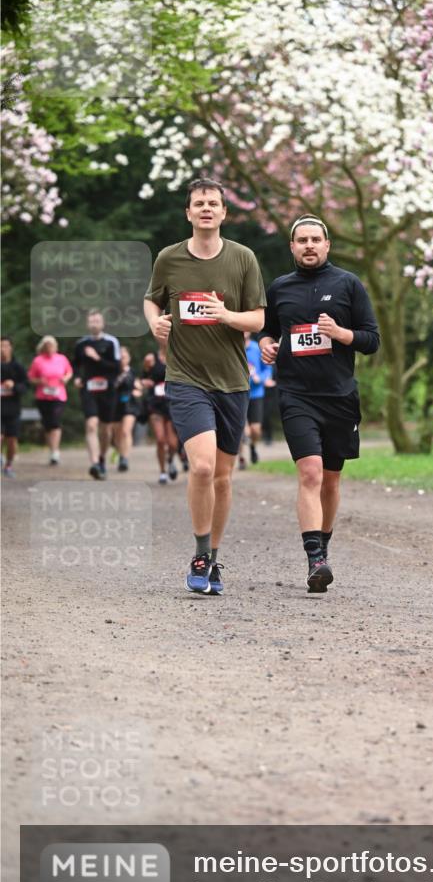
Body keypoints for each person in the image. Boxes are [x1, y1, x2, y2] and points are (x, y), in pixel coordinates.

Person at [143, 177, 266, 594]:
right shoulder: (169, 258)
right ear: (189, 212)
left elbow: (258, 320)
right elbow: (151, 298)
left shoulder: (243, 258)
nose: (207, 209)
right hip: (186, 377)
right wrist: (154, 323)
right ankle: (198, 554)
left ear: (224, 212)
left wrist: (225, 315)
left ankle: (213, 559)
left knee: (223, 479)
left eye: (214, 203)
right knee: (201, 466)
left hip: (232, 381)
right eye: (199, 203)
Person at [259, 214, 379, 593]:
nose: (309, 245)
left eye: (316, 239)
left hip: (340, 396)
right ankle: (315, 560)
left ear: (327, 245)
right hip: (296, 394)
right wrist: (265, 342)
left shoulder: (348, 284)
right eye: (301, 240)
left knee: (330, 478)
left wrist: (340, 333)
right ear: (292, 247)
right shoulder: (279, 288)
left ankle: (323, 549)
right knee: (309, 472)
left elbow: (371, 340)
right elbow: (268, 328)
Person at [73, 309, 121, 480]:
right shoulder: (80, 344)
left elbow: (116, 368)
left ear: (102, 323)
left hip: (108, 389)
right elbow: (76, 366)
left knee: (106, 429)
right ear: (87, 324)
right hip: (89, 389)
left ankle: (101, 459)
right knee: (91, 424)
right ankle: (94, 463)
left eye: (97, 321)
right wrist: (77, 378)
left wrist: (97, 358)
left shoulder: (111, 342)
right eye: (91, 321)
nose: (94, 323)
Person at [27, 335, 73, 465]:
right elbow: (30, 377)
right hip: (43, 395)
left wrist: (65, 379)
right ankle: (52, 450)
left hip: (59, 395)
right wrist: (39, 381)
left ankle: (56, 452)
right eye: (47, 345)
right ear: (43, 347)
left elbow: (69, 371)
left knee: (55, 421)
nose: (50, 348)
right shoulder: (38, 361)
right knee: (47, 424)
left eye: (52, 345)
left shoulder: (61, 359)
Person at [141, 346, 180, 484]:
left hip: (173, 403)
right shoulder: (150, 358)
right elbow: (143, 379)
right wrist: (143, 382)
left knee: (173, 443)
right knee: (160, 439)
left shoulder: (179, 354)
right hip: (155, 403)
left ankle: (170, 461)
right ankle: (162, 471)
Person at [238, 331, 272, 469]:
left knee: (255, 430)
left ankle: (252, 447)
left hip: (256, 394)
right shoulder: (232, 346)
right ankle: (241, 458)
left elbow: (267, 368)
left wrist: (261, 379)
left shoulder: (256, 348)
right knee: (241, 428)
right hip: (238, 393)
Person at [1, 336, 28, 477]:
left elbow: (25, 386)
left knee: (12, 440)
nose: (2, 349)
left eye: (5, 345)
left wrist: (14, 386)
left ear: (10, 347)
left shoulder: (18, 367)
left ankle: (8, 465)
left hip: (13, 409)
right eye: (0, 346)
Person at [112, 346, 142, 472]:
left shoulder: (132, 372)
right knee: (117, 434)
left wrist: (138, 390)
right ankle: (119, 453)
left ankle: (125, 458)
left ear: (128, 358)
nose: (122, 359)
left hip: (130, 404)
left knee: (126, 431)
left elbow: (139, 386)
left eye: (124, 356)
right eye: (120, 357)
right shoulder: (113, 371)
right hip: (115, 404)